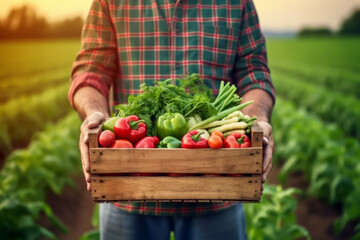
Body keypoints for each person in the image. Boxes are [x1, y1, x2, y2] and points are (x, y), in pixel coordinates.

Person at [68, 0, 275, 239]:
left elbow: (255, 73)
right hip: (129, 188)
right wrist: (95, 115)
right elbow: (91, 71)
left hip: (217, 187)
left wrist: (255, 119)